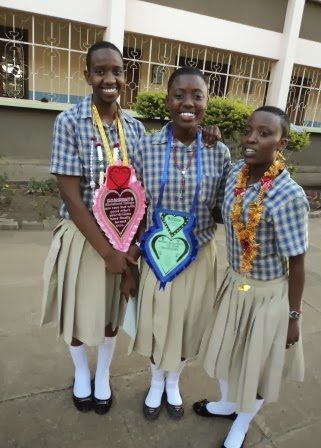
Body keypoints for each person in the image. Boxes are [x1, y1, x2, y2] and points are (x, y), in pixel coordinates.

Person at [193, 106, 309, 448]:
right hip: (234, 283)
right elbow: (218, 211)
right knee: (229, 353)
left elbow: (298, 264)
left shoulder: (289, 196)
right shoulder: (234, 174)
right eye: (248, 131)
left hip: (268, 296)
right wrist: (208, 140)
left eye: (264, 134)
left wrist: (293, 316)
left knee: (256, 366)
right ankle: (228, 404)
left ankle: (242, 424)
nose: (251, 139)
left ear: (281, 143)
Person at [41, 40, 145, 415]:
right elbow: (71, 196)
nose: (109, 78)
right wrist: (107, 253)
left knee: (110, 315)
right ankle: (81, 373)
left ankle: (103, 375)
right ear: (87, 76)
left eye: (116, 70)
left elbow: (143, 190)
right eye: (99, 71)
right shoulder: (69, 121)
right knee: (76, 314)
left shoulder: (133, 127)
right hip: (83, 238)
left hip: (124, 240)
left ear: (124, 75)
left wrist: (130, 251)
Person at [129, 66, 231, 420]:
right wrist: (130, 252)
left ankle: (175, 382)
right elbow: (137, 204)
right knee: (158, 323)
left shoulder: (219, 152)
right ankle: (156, 382)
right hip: (157, 256)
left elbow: (223, 208)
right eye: (179, 95)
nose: (188, 102)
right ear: (168, 100)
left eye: (197, 96)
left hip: (200, 253)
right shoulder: (146, 147)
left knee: (189, 323)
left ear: (206, 102)